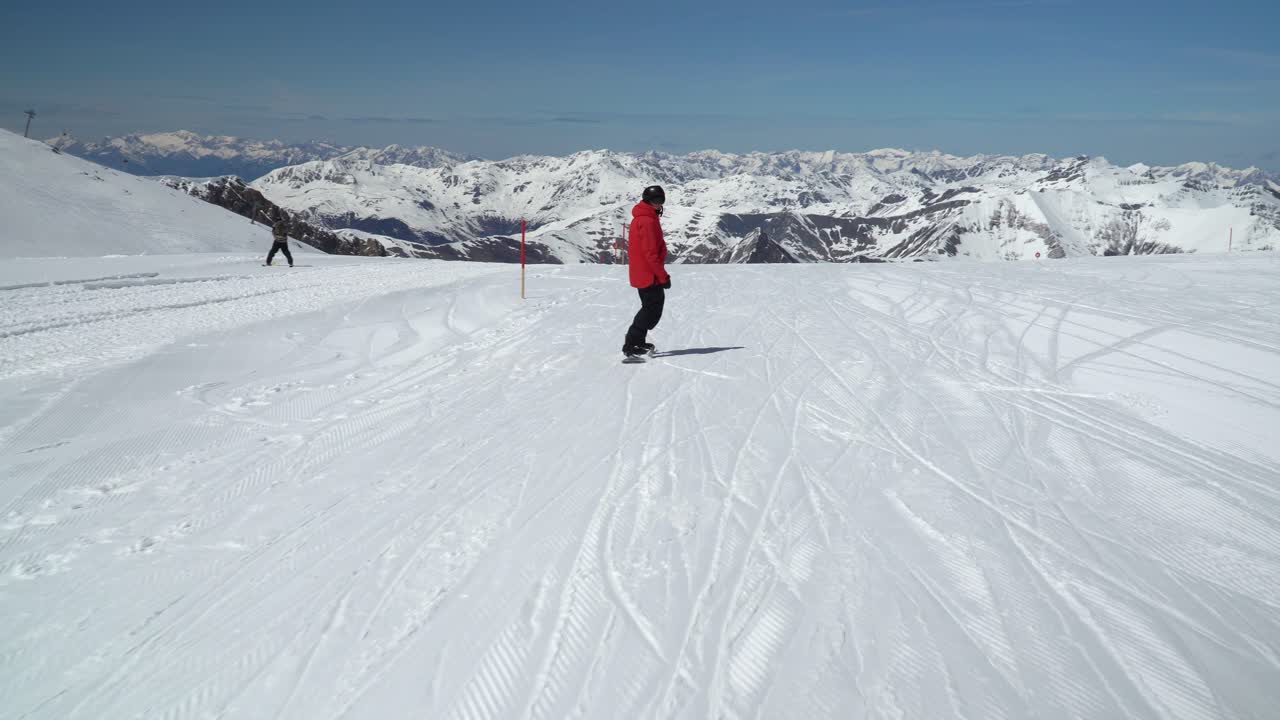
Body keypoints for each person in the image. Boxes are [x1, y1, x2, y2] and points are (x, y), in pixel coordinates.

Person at [623, 185, 671, 357]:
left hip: (644, 272)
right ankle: (631, 343)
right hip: (648, 274)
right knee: (651, 309)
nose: (659, 204)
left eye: (661, 200)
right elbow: (651, 254)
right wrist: (663, 276)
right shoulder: (647, 220)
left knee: (650, 307)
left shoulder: (646, 216)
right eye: (655, 201)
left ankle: (637, 341)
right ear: (647, 201)